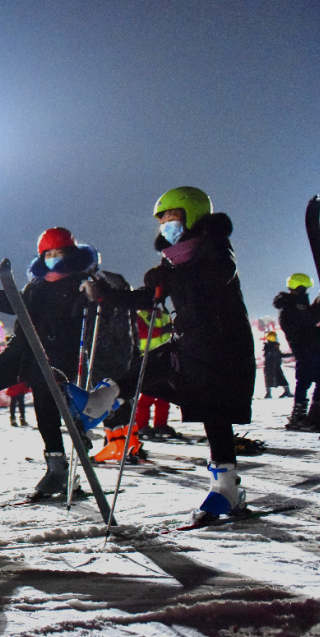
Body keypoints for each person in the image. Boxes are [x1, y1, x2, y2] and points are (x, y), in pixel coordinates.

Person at [77, 187, 257, 524]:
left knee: (214, 414)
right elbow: (152, 296)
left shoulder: (214, 249)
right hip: (192, 345)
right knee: (152, 368)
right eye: (161, 219)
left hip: (223, 348)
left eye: (170, 216)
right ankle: (103, 398)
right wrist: (106, 297)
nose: (164, 224)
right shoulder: (174, 258)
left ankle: (226, 490)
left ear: (191, 214)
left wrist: (171, 276)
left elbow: (216, 276)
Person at [0, 227, 115, 497]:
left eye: (59, 253)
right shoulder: (37, 284)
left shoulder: (79, 281)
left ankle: (58, 469)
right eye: (48, 253)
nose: (53, 258)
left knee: (45, 410)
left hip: (54, 354)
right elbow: (20, 301)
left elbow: (101, 301)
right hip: (25, 346)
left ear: (71, 254)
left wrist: (93, 293)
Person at [274, 274, 320, 430]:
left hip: (312, 348)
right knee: (304, 382)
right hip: (305, 350)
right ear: (300, 287)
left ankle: (315, 414)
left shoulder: (296, 304)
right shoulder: (292, 305)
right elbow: (310, 319)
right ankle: (298, 417)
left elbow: (308, 321)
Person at [132, 306, 182, 441]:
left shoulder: (163, 313)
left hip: (164, 357)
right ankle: (141, 426)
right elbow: (143, 332)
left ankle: (160, 424)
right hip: (147, 357)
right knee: (147, 396)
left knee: (164, 395)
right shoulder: (140, 314)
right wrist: (163, 330)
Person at [261, 330, 291, 399]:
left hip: (275, 366)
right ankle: (269, 393)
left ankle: (286, 391)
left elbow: (279, 355)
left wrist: (290, 354)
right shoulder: (269, 346)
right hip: (270, 366)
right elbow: (268, 355)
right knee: (269, 379)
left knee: (280, 378)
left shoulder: (274, 346)